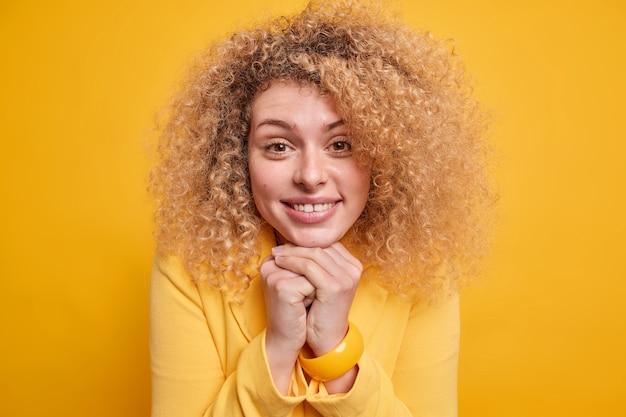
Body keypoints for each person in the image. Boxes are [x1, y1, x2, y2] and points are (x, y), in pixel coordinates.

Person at [149, 1, 494, 416]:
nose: (311, 176)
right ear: (238, 157)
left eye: (341, 145)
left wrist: (334, 349)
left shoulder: (424, 268)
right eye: (278, 146)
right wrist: (277, 349)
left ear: (384, 155)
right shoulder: (189, 265)